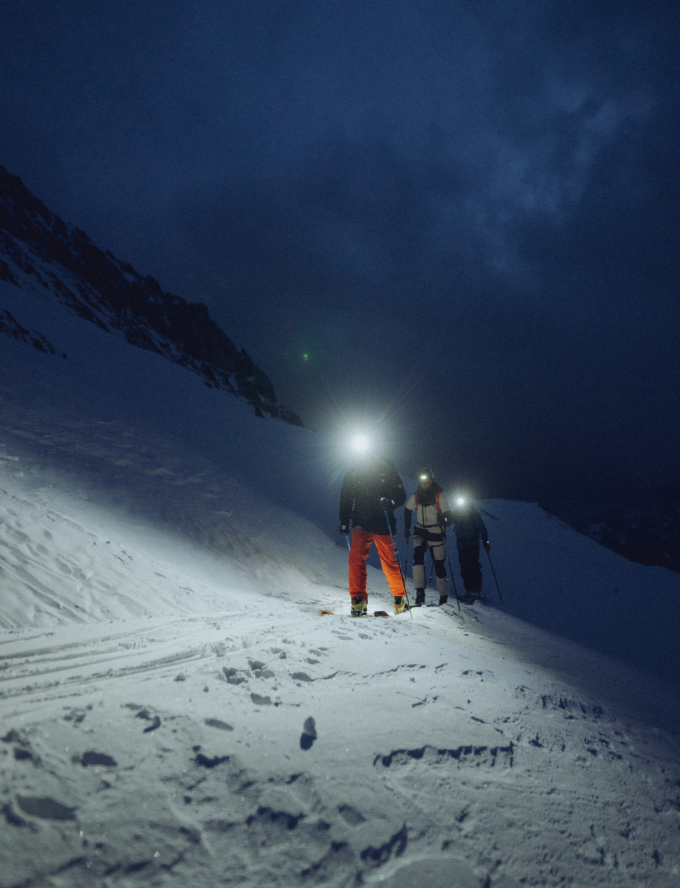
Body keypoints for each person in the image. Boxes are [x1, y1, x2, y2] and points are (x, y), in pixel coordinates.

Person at [339, 453, 407, 615]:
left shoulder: (386, 469)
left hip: (383, 522)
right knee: (356, 558)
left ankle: (399, 596)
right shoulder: (353, 473)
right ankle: (358, 598)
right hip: (361, 522)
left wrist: (390, 503)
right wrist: (344, 521)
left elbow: (401, 495)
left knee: (389, 561)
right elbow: (346, 499)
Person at [404, 468, 455, 607]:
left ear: (431, 481)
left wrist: (444, 519)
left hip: (435, 531)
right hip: (421, 531)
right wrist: (407, 527)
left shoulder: (439, 495)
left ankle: (443, 596)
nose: (424, 484)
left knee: (439, 564)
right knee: (417, 560)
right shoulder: (416, 496)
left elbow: (450, 516)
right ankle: (420, 594)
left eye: (426, 481)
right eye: (422, 481)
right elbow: (407, 509)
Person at [451, 498, 490, 602]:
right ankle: (470, 590)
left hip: (470, 544)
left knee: (472, 566)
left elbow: (482, 528)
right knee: (466, 567)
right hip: (465, 544)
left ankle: (474, 590)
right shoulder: (459, 514)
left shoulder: (473, 514)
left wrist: (486, 541)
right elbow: (482, 529)